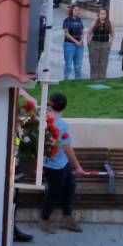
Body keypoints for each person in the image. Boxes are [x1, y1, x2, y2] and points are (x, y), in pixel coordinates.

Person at [38, 93, 85, 235]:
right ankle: (44, 219)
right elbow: (67, 148)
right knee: (54, 193)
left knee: (70, 185)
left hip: (59, 164)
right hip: (55, 166)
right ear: (64, 106)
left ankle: (67, 217)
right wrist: (77, 166)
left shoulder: (43, 118)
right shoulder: (61, 125)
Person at [86, 7, 113, 80]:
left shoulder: (109, 23)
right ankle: (93, 78)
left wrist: (110, 43)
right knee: (94, 63)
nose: (102, 15)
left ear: (107, 15)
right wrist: (88, 42)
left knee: (103, 63)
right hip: (94, 45)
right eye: (101, 13)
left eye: (104, 14)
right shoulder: (94, 22)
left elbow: (112, 35)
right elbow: (89, 33)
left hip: (105, 45)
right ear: (98, 14)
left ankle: (102, 78)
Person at [62, 6, 85, 80]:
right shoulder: (67, 20)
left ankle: (78, 80)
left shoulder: (79, 20)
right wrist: (75, 42)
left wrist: (81, 40)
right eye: (75, 10)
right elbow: (66, 33)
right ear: (71, 11)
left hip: (80, 45)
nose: (77, 11)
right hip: (69, 44)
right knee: (68, 64)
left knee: (78, 65)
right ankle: (66, 79)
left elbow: (82, 31)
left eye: (78, 10)